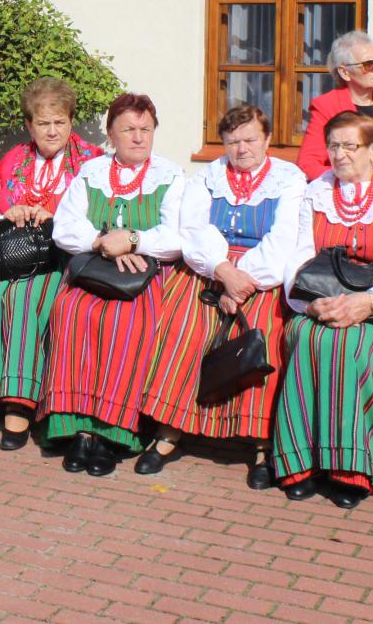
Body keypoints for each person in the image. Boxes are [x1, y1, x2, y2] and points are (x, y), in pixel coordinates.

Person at [139, 103, 306, 488]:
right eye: (232, 142)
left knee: (262, 334)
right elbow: (193, 230)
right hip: (210, 268)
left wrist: (242, 282)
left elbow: (284, 240)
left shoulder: (289, 179)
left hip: (261, 274)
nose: (241, 149)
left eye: (250, 140)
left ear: (267, 139)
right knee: (183, 325)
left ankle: (260, 442)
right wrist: (223, 271)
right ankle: (169, 431)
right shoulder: (207, 176)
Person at [273, 110, 373, 509]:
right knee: (307, 337)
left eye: (349, 146)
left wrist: (367, 302)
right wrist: (306, 303)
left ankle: (351, 468)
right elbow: (299, 254)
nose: (339, 155)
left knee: (347, 346)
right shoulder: (316, 191)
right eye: (333, 146)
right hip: (318, 302)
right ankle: (300, 463)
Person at [42, 93, 185, 478]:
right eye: (128, 130)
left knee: (127, 322)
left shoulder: (170, 176)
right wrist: (101, 242)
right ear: (110, 135)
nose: (138, 138)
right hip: (94, 268)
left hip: (145, 275)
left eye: (146, 129)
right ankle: (77, 429)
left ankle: (111, 433)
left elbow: (177, 236)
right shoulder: (91, 172)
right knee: (70, 311)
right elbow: (65, 225)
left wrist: (133, 240)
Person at [0, 78, 101, 450]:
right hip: (17, 253)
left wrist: (56, 217)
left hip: (62, 258)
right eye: (43, 123)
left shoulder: (91, 162)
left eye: (60, 122)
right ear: (29, 125)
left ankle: (20, 404)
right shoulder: (14, 160)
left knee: (25, 298)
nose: (52, 131)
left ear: (71, 122)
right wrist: (12, 211)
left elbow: (96, 216)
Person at [295, 31, 373, 181]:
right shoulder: (326, 106)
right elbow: (308, 164)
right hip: (343, 190)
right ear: (344, 72)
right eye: (368, 64)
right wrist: (353, 181)